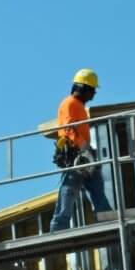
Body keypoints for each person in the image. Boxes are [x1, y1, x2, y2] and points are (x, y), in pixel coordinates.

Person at [48, 69, 113, 232]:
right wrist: (83, 147)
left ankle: (107, 222)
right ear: (82, 88)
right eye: (92, 90)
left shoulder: (79, 106)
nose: (94, 94)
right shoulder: (69, 104)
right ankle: (58, 228)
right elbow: (69, 129)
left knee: (97, 190)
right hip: (76, 155)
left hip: (85, 154)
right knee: (68, 192)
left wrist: (87, 150)